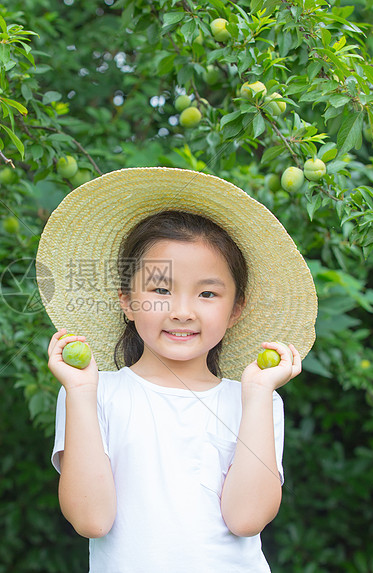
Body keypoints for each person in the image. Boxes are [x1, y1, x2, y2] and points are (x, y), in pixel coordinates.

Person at [36, 167, 318, 572]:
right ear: (128, 301)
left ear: (236, 308)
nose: (182, 311)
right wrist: (80, 394)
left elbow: (247, 519)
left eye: (207, 293)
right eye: (161, 290)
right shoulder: (93, 393)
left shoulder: (256, 399)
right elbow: (91, 520)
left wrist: (257, 395)